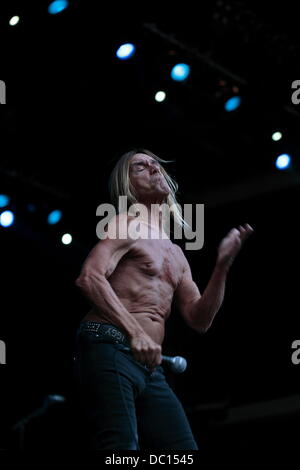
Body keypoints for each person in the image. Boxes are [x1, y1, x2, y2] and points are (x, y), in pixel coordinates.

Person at [73, 148, 253, 450]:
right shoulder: (126, 224)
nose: (153, 167)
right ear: (128, 186)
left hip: (148, 363)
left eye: (155, 164)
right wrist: (136, 332)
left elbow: (199, 320)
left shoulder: (175, 253)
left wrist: (223, 265)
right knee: (120, 450)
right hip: (109, 344)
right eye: (140, 167)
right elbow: (89, 277)